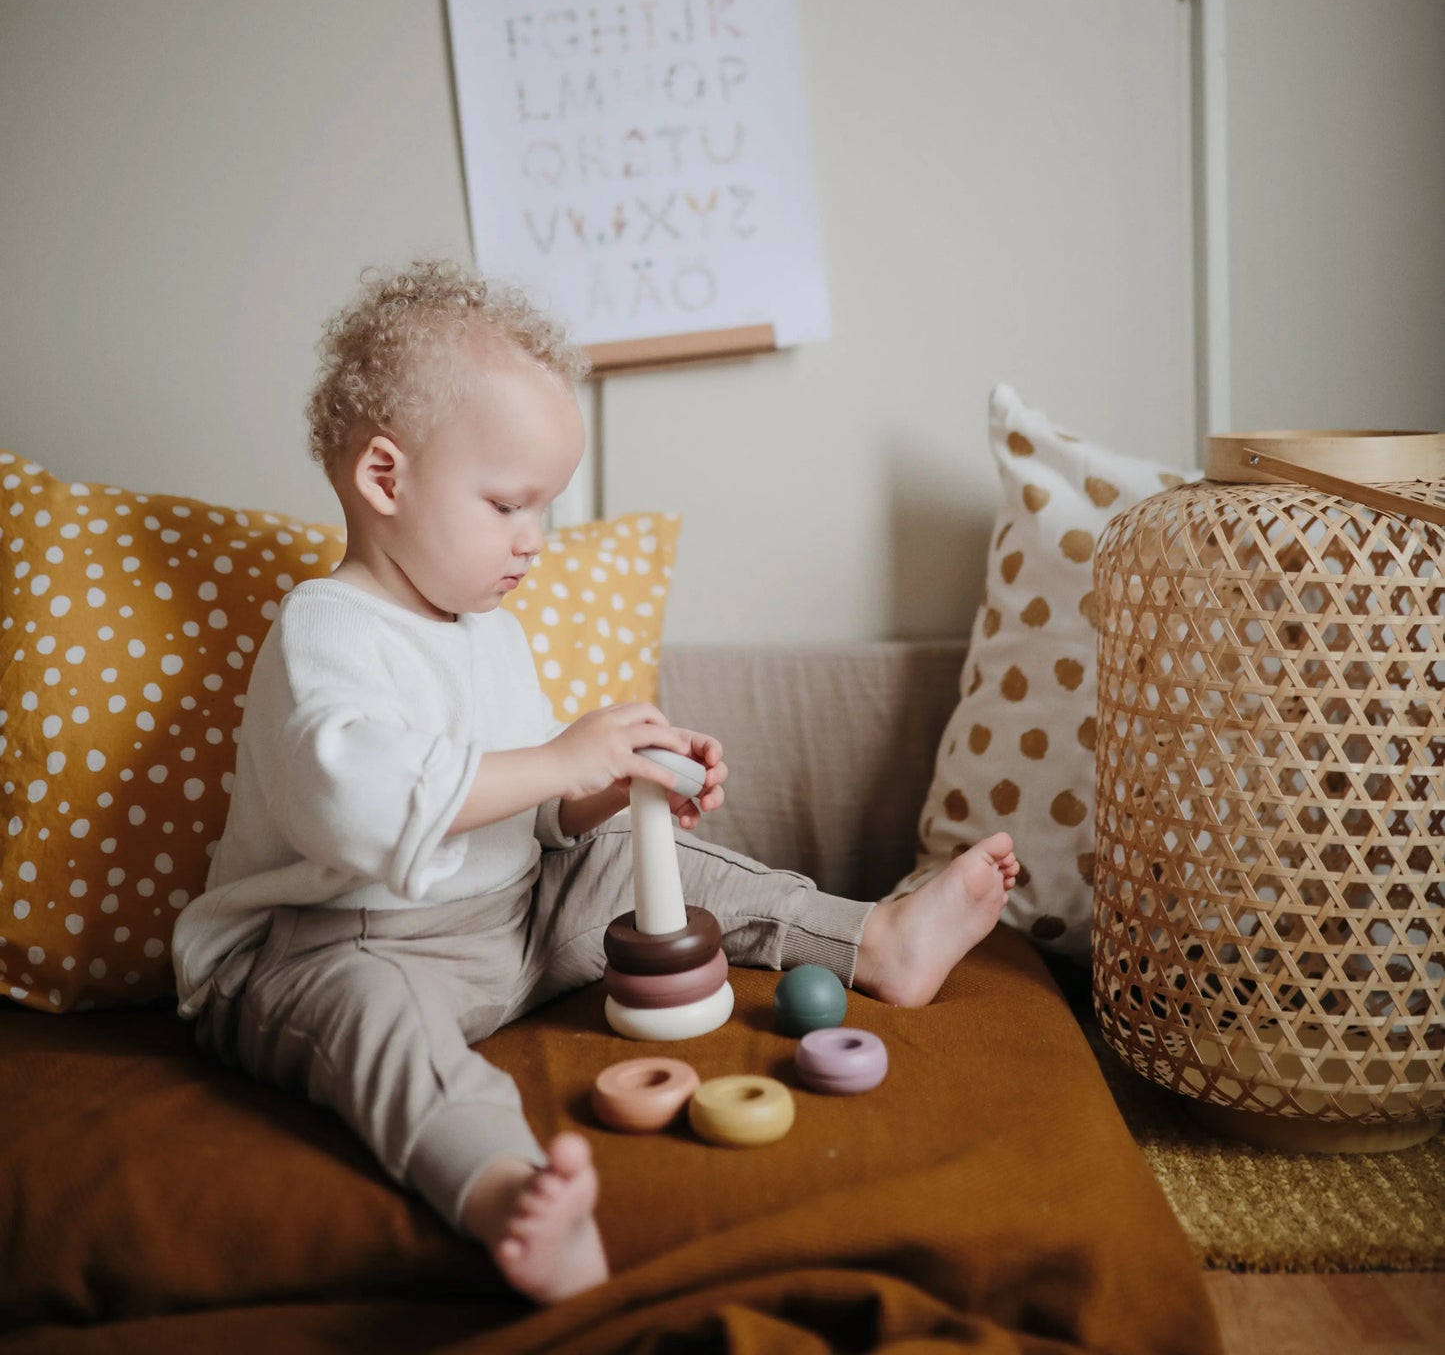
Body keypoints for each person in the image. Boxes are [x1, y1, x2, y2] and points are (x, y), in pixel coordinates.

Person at [171, 259, 1020, 1304]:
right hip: (335, 944)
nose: (534, 540)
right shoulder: (327, 629)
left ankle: (872, 942)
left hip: (505, 925)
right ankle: (505, 1190)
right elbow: (352, 811)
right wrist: (563, 758)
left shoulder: (486, 629)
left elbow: (534, 811)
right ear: (384, 479)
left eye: (543, 508)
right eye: (506, 504)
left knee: (630, 861)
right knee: (370, 1017)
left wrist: (608, 788)